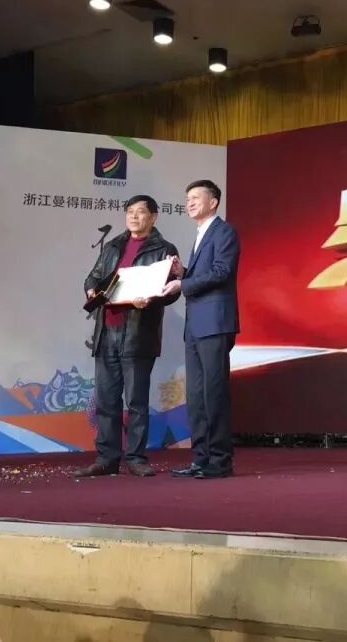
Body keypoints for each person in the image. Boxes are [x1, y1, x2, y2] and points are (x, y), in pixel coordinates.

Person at [75, 195, 179, 478]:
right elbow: (93, 277)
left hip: (138, 333)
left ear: (154, 217)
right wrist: (91, 290)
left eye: (140, 212)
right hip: (107, 331)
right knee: (106, 401)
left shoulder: (164, 249)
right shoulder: (113, 245)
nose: (133, 216)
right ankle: (107, 458)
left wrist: (153, 298)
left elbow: (172, 291)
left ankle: (136, 458)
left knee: (136, 402)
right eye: (130, 212)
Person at [160, 180, 240, 479]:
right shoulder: (201, 233)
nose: (189, 203)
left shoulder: (224, 232)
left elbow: (221, 272)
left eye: (196, 197)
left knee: (213, 392)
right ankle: (201, 458)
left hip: (215, 323)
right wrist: (182, 272)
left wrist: (183, 284)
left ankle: (220, 460)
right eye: (187, 198)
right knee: (195, 395)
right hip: (195, 325)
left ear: (213, 201)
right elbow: (204, 274)